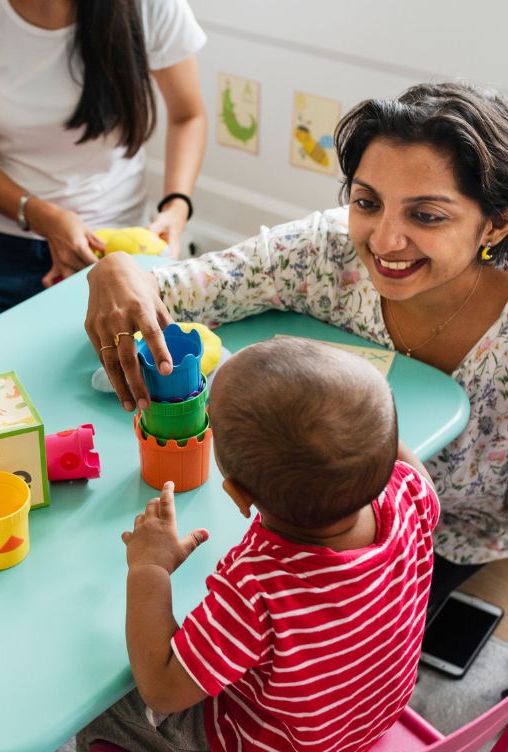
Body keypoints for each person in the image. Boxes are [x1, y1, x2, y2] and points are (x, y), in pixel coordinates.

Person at [84, 80, 508, 619]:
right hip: (298, 510)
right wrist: (118, 268)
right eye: (367, 202)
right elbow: (172, 291)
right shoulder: (322, 253)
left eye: (426, 215)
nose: (384, 240)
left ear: (495, 222)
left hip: (451, 531)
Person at [77, 338, 440, 752]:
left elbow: (162, 689)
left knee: (102, 698)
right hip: (367, 720)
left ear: (240, 496)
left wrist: (149, 568)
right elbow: (414, 472)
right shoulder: (409, 493)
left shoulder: (258, 585)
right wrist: (363, 432)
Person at [0, 0, 207, 326]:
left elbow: (188, 116)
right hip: (1, 244)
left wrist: (177, 206)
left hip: (115, 245)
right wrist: (45, 217)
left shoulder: (151, 7)